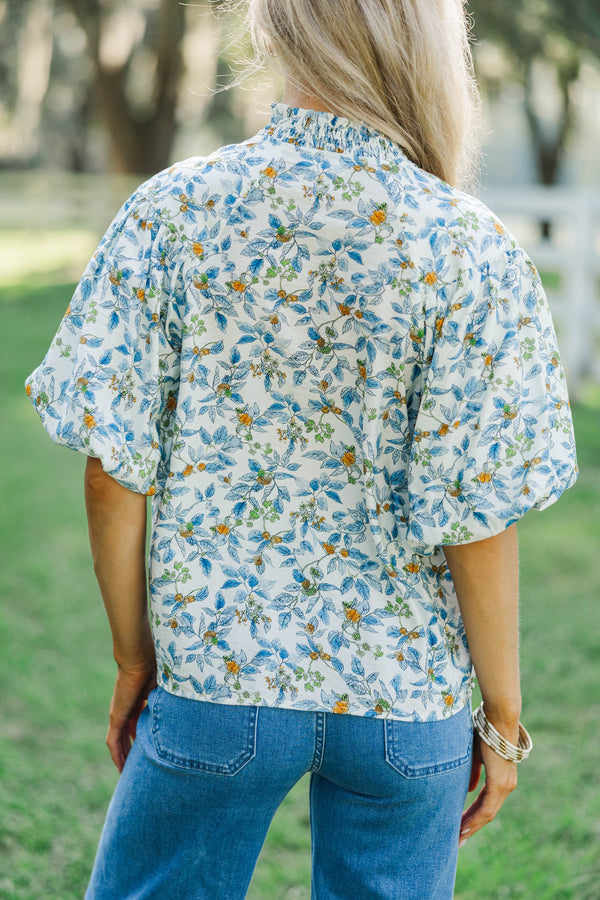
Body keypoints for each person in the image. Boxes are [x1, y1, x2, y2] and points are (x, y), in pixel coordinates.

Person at [25, 1, 578, 897]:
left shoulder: (172, 212)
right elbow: (478, 516)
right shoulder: (470, 247)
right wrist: (503, 719)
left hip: (217, 679)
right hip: (408, 704)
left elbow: (114, 468)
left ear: (275, 35)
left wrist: (137, 659)